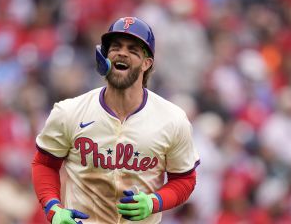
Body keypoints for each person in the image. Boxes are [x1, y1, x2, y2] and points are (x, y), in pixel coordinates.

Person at [31, 16, 200, 224]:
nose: (122, 52)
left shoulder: (172, 119)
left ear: (147, 63)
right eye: (116, 47)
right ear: (105, 56)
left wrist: (154, 202)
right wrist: (53, 208)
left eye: (132, 50)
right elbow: (44, 164)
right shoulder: (70, 111)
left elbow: (184, 179)